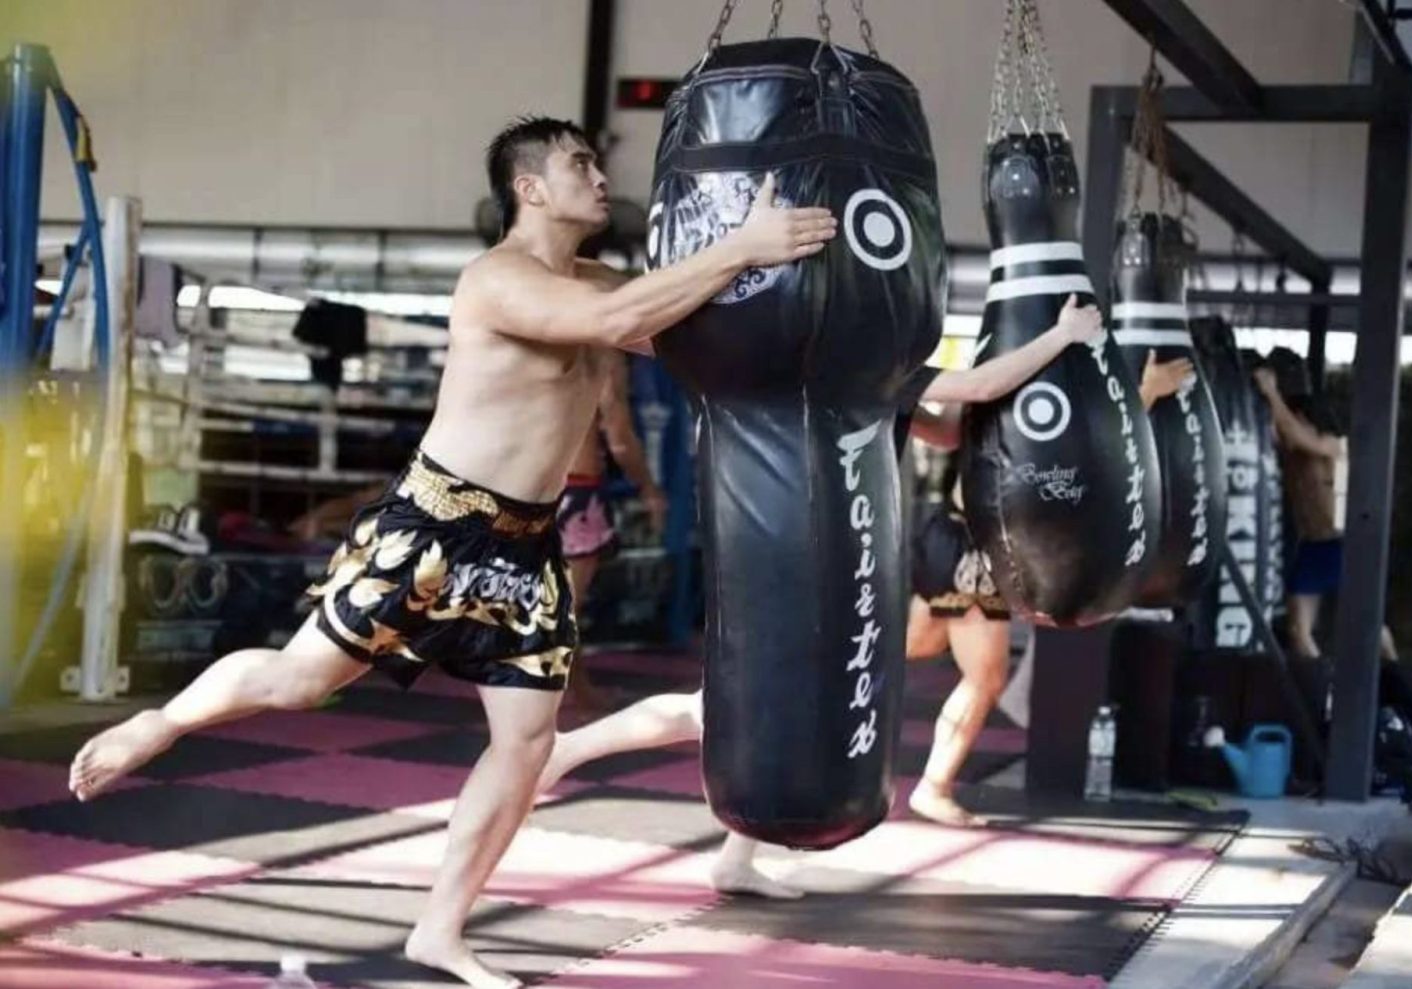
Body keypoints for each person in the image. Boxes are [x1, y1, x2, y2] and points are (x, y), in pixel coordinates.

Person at [67, 115, 836, 989]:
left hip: (524, 546)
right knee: (299, 682)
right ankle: (157, 723)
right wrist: (741, 247)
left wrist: (790, 285)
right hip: (434, 528)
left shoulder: (597, 277)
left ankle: (440, 928)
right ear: (530, 188)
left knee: (525, 744)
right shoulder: (497, 278)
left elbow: (682, 334)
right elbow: (620, 315)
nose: (597, 175)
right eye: (579, 162)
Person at [534, 294, 1117, 886]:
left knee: (784, 716)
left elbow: (944, 429)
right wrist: (1062, 337)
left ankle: (733, 858)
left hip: (844, 559)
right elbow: (983, 382)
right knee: (728, 710)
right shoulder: (827, 360)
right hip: (794, 557)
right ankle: (567, 751)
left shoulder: (880, 375)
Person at [901, 346, 1194, 826]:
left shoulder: (1001, 365)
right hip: (971, 544)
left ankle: (824, 677)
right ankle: (933, 787)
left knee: (911, 646)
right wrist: (1146, 392)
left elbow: (956, 431)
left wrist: (895, 402)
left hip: (949, 532)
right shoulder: (1017, 368)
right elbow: (1082, 441)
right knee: (986, 676)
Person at [1252, 360, 1396, 662]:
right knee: (1297, 629)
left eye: (1294, 418)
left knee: (1370, 627)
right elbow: (1282, 433)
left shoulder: (1332, 445)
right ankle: (1323, 693)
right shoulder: (1291, 453)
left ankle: (1397, 681)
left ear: (1309, 419)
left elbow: (1293, 431)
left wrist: (1271, 392)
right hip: (1313, 546)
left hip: (1345, 543)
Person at [557, 351, 667, 710]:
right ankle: (579, 694)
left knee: (543, 604)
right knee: (564, 607)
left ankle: (573, 690)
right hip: (577, 488)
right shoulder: (603, 351)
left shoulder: (540, 338)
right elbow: (618, 434)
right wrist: (648, 487)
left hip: (530, 488)